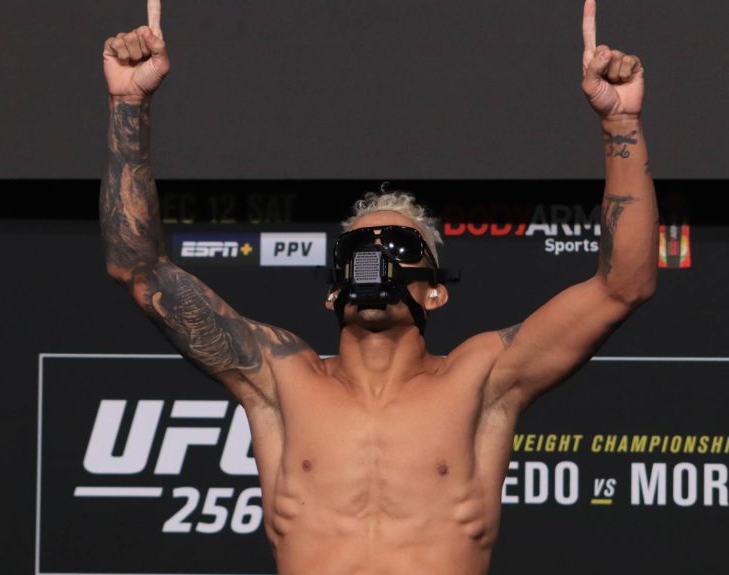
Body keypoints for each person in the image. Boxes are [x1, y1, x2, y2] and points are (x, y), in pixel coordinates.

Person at [100, 1, 657, 573]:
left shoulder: (481, 380)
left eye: (399, 248)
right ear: (332, 288)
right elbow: (137, 268)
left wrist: (620, 123)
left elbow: (623, 286)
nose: (376, 262)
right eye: (358, 251)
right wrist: (128, 104)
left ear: (435, 291)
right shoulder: (280, 379)